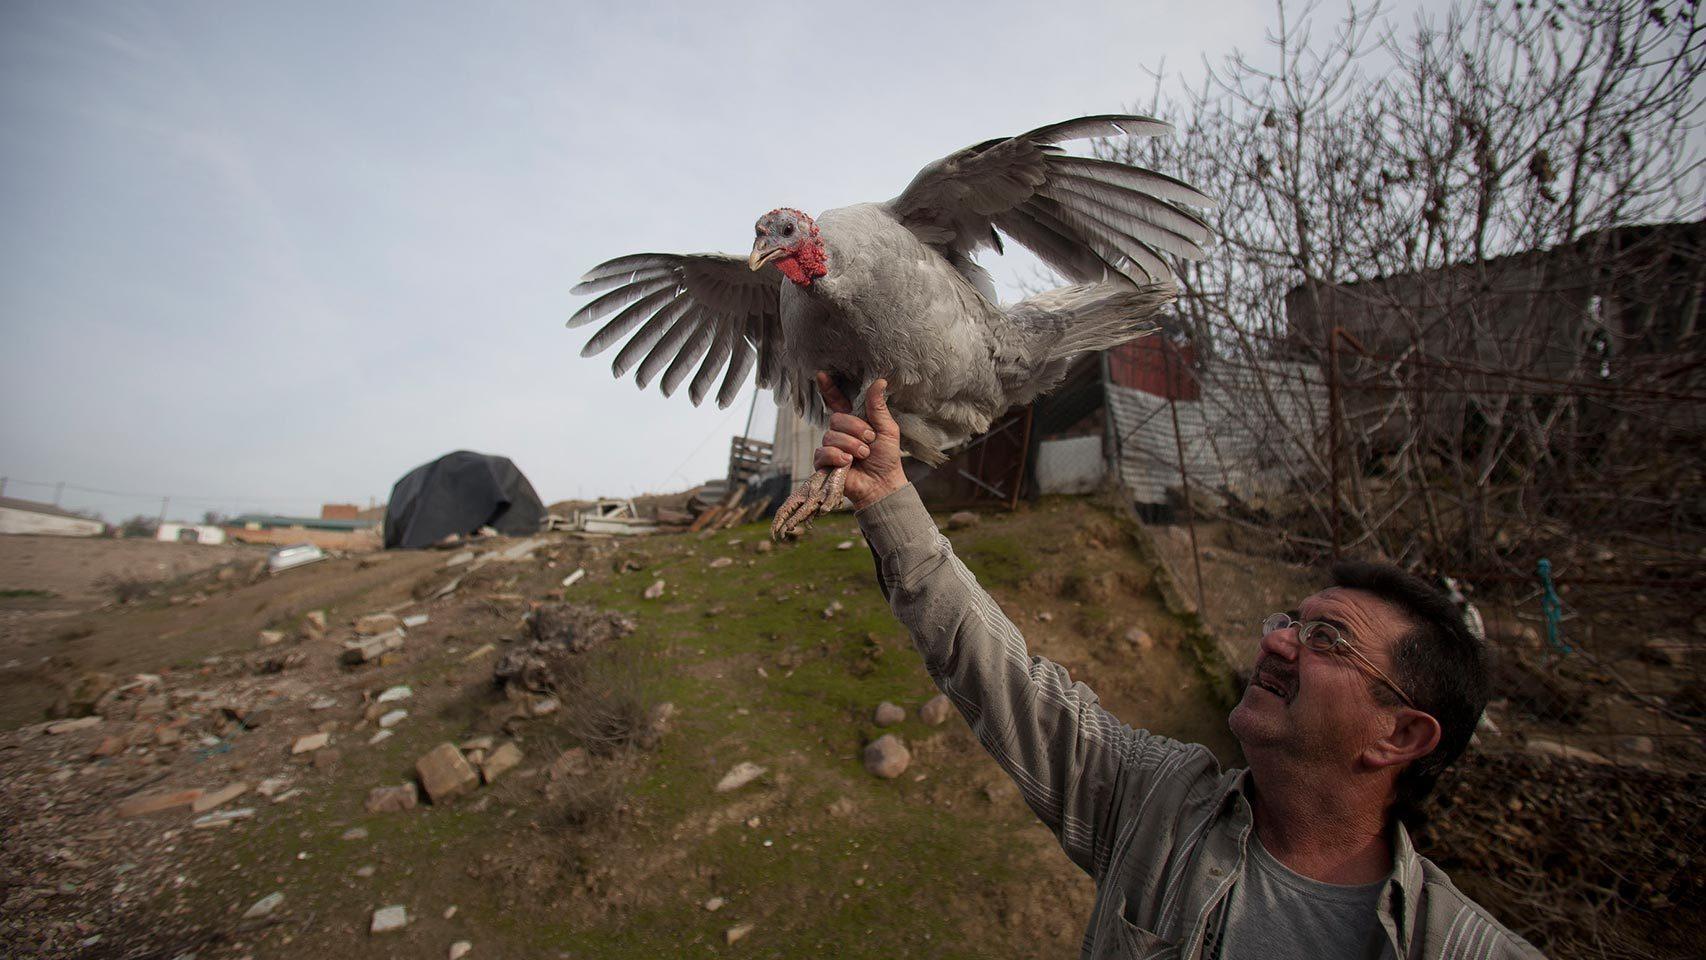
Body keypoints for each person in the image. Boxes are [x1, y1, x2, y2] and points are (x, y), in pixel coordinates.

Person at [812, 374, 1543, 959]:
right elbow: (1006, 684)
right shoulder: (1158, 805)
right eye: (1290, 622)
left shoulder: (1462, 946)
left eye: (1327, 640)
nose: (1278, 642)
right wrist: (890, 499)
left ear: (1401, 736)